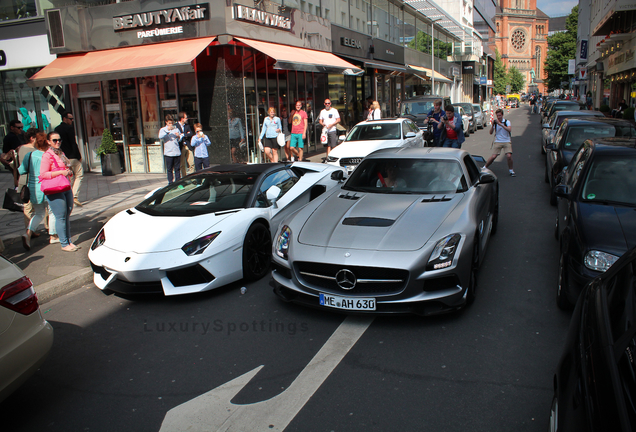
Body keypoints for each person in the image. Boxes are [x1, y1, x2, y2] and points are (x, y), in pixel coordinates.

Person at [39, 132, 78, 252]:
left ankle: (69, 241)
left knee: (66, 215)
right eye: (54, 140)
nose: (57, 142)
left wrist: (68, 171)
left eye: (59, 140)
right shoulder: (47, 155)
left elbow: (66, 167)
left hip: (65, 186)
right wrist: (61, 172)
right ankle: (64, 243)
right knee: (61, 216)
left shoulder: (60, 153)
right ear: (48, 141)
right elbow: (43, 174)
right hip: (55, 188)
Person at [18, 131, 49, 251]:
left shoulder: (29, 155)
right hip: (47, 186)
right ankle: (53, 235)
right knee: (51, 212)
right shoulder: (48, 155)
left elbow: (21, 171)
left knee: (39, 213)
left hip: (34, 188)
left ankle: (28, 233)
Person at [54, 111, 84, 207]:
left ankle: (68, 196)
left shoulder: (57, 129)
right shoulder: (69, 128)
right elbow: (73, 143)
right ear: (64, 119)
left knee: (68, 177)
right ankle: (74, 196)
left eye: (72, 119)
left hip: (61, 157)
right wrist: (78, 156)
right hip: (71, 156)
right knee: (79, 174)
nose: (72, 121)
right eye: (70, 119)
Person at [18, 128, 40, 233]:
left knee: (27, 208)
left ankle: (29, 231)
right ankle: (49, 230)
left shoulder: (20, 148)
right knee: (41, 207)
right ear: (32, 138)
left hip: (23, 181)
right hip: (33, 182)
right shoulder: (34, 151)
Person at [485, 109, 515, 177]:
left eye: (500, 115)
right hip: (498, 141)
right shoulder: (495, 123)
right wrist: (493, 125)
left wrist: (501, 124)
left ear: (502, 115)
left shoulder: (507, 122)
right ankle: (485, 167)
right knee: (493, 156)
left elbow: (509, 129)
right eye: (497, 115)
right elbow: (490, 133)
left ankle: (511, 170)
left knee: (509, 156)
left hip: (507, 141)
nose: (498, 117)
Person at [159, 114, 182, 183]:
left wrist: (178, 136)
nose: (171, 124)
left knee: (177, 169)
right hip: (168, 153)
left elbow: (180, 139)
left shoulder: (176, 129)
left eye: (172, 123)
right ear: (166, 122)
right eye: (169, 123)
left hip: (176, 152)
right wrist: (168, 130)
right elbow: (160, 137)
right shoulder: (163, 129)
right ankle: (170, 183)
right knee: (169, 169)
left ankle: (178, 182)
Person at [176, 112, 194, 177]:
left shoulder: (187, 126)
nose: (187, 119)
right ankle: (184, 178)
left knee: (192, 163)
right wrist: (186, 134)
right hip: (181, 147)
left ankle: (192, 178)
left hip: (188, 146)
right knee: (182, 164)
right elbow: (176, 135)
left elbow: (191, 134)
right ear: (182, 119)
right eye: (186, 118)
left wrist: (182, 135)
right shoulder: (176, 126)